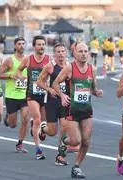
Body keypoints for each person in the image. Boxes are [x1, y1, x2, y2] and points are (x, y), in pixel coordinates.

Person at [53, 43, 103, 178]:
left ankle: (76, 167)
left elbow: (93, 88)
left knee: (86, 141)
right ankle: (64, 141)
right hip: (72, 109)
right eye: (80, 51)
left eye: (86, 51)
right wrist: (62, 95)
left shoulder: (92, 69)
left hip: (87, 110)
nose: (83, 54)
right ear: (74, 53)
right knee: (75, 141)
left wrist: (97, 92)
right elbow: (55, 83)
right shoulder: (69, 68)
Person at [16, 35, 51, 160]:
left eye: (43, 44)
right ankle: (38, 150)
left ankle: (40, 130)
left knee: (44, 123)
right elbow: (18, 70)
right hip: (32, 94)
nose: (41, 47)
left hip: (45, 94)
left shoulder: (49, 59)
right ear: (34, 46)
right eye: (39, 44)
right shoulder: (28, 59)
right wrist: (21, 77)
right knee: (37, 119)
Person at [37, 42, 69, 166]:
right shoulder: (50, 67)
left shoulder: (69, 66)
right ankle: (43, 129)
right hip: (52, 101)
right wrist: (50, 89)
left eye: (63, 51)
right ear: (54, 54)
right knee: (52, 131)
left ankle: (60, 156)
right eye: (58, 52)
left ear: (66, 53)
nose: (61, 54)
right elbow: (39, 82)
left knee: (65, 127)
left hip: (64, 101)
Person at [0, 37, 29, 153]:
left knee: (26, 118)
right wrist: (11, 76)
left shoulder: (28, 60)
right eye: (19, 44)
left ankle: (20, 143)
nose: (21, 46)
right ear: (15, 46)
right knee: (13, 124)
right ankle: (8, 117)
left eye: (23, 44)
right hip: (12, 96)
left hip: (25, 95)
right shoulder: (9, 60)